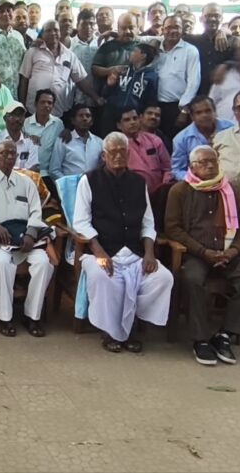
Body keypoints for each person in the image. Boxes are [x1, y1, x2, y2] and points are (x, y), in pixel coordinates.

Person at [73, 132, 174, 353]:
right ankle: (111, 332)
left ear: (129, 155)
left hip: (135, 253)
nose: (118, 156)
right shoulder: (89, 180)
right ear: (104, 156)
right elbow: (80, 222)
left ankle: (130, 324)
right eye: (113, 152)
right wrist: (99, 252)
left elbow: (148, 223)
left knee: (162, 278)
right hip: (102, 251)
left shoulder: (138, 182)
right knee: (105, 278)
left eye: (122, 151)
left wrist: (149, 253)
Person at [165, 145, 240, 365]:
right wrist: (203, 251)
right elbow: (173, 229)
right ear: (192, 167)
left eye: (213, 161)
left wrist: (234, 250)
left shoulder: (229, 190)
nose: (210, 166)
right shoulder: (180, 191)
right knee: (193, 280)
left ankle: (225, 334)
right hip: (196, 254)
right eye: (203, 162)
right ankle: (200, 340)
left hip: (228, 254)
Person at [0, 139, 55, 337]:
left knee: (44, 263)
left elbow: (36, 212)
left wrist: (31, 233)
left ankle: (32, 316)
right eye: (4, 153)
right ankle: (6, 317)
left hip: (27, 239)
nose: (9, 157)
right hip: (0, 240)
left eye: (13, 154)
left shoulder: (27, 182)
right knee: (0, 264)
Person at [18, 20, 97, 115]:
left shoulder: (69, 55)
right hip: (33, 110)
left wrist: (96, 97)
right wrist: (22, 106)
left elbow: (81, 80)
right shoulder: (32, 52)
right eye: (48, 30)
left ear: (60, 33)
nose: (53, 33)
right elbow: (24, 80)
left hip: (60, 111)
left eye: (56, 30)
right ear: (42, 34)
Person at [155, 16, 202, 133]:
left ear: (182, 29)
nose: (172, 31)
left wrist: (184, 110)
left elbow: (194, 82)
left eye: (176, 27)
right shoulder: (155, 49)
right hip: (155, 107)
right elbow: (139, 38)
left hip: (177, 108)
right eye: (168, 28)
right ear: (162, 29)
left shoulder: (190, 51)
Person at [101, 42, 159, 136]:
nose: (130, 53)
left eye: (134, 51)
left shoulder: (151, 77)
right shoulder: (122, 70)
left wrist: (141, 118)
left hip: (131, 118)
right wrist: (109, 85)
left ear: (143, 55)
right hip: (112, 113)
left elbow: (150, 101)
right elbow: (105, 94)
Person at [171, 96, 233, 180]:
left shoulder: (231, 128)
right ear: (192, 116)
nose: (204, 115)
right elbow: (177, 170)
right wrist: (196, 181)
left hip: (230, 179)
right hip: (197, 183)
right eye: (199, 113)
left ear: (214, 111)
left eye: (208, 111)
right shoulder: (181, 139)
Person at [184, 3, 235, 97]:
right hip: (196, 95)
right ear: (201, 19)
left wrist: (226, 65)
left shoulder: (231, 41)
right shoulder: (191, 41)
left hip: (222, 96)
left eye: (216, 16)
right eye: (208, 16)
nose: (212, 19)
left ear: (222, 19)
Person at [118, 107, 172, 194]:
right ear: (119, 125)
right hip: (132, 193)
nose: (132, 122)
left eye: (135, 118)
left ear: (140, 119)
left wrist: (164, 185)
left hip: (160, 192)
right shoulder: (117, 146)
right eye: (127, 120)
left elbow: (168, 168)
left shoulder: (154, 140)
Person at [91, 13, 138, 100]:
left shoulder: (143, 47)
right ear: (118, 29)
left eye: (131, 27)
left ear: (137, 28)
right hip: (110, 97)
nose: (127, 31)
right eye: (123, 28)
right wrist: (111, 70)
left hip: (134, 99)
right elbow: (95, 69)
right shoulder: (107, 46)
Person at [49, 104, 102, 180]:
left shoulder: (99, 142)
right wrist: (68, 184)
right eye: (81, 115)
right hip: (70, 185)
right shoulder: (63, 140)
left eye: (88, 116)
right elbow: (54, 170)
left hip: (93, 185)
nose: (85, 118)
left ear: (92, 122)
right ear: (73, 120)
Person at [0, 102, 39, 171]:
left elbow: (32, 170)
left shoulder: (31, 141)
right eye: (13, 115)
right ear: (5, 118)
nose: (17, 119)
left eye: (21, 115)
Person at [24, 89, 63, 179]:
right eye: (42, 102)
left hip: (48, 174)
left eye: (49, 103)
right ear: (36, 104)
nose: (46, 105)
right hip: (28, 172)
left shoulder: (58, 124)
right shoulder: (25, 123)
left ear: (53, 106)